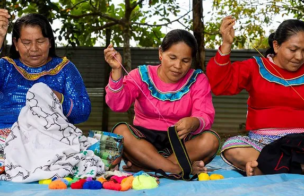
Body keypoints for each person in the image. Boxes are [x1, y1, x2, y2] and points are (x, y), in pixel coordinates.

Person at [104, 29, 220, 175]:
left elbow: (205, 114)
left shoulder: (198, 79)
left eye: (185, 61)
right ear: (160, 53)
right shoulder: (141, 75)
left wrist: (194, 122)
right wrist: (116, 70)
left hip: (180, 142)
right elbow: (117, 105)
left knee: (211, 140)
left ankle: (150, 167)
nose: (178, 66)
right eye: (172, 57)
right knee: (120, 131)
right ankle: (176, 169)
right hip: (143, 144)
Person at [206, 16, 304, 176]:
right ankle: (295, 167)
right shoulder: (254, 67)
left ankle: (265, 168)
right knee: (233, 148)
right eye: (293, 50)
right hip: (262, 144)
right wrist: (226, 44)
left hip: (301, 143)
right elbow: (219, 85)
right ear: (276, 45)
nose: (299, 57)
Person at [0, 10, 91, 148]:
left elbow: (83, 111)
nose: (34, 48)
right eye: (26, 42)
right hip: (6, 140)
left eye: (40, 41)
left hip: (50, 142)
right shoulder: (5, 67)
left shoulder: (65, 69)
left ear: (50, 42)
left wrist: (57, 99)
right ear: (16, 44)